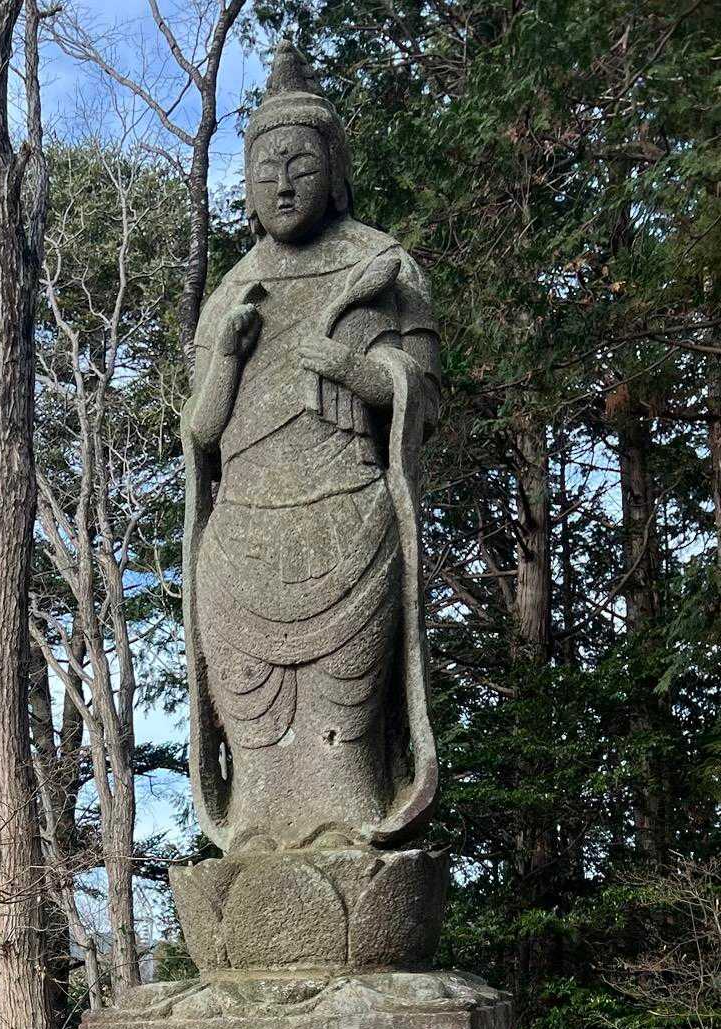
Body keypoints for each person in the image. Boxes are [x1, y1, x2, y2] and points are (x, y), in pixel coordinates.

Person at [182, 43, 441, 856]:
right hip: (243, 533)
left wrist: (358, 372)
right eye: (266, 169)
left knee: (343, 714)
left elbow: (426, 395)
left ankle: (352, 828)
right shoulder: (233, 292)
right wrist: (227, 356)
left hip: (348, 515)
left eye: (301, 164)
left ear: (335, 172)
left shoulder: (382, 267)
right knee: (254, 717)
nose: (284, 183)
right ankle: (257, 834)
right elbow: (201, 432)